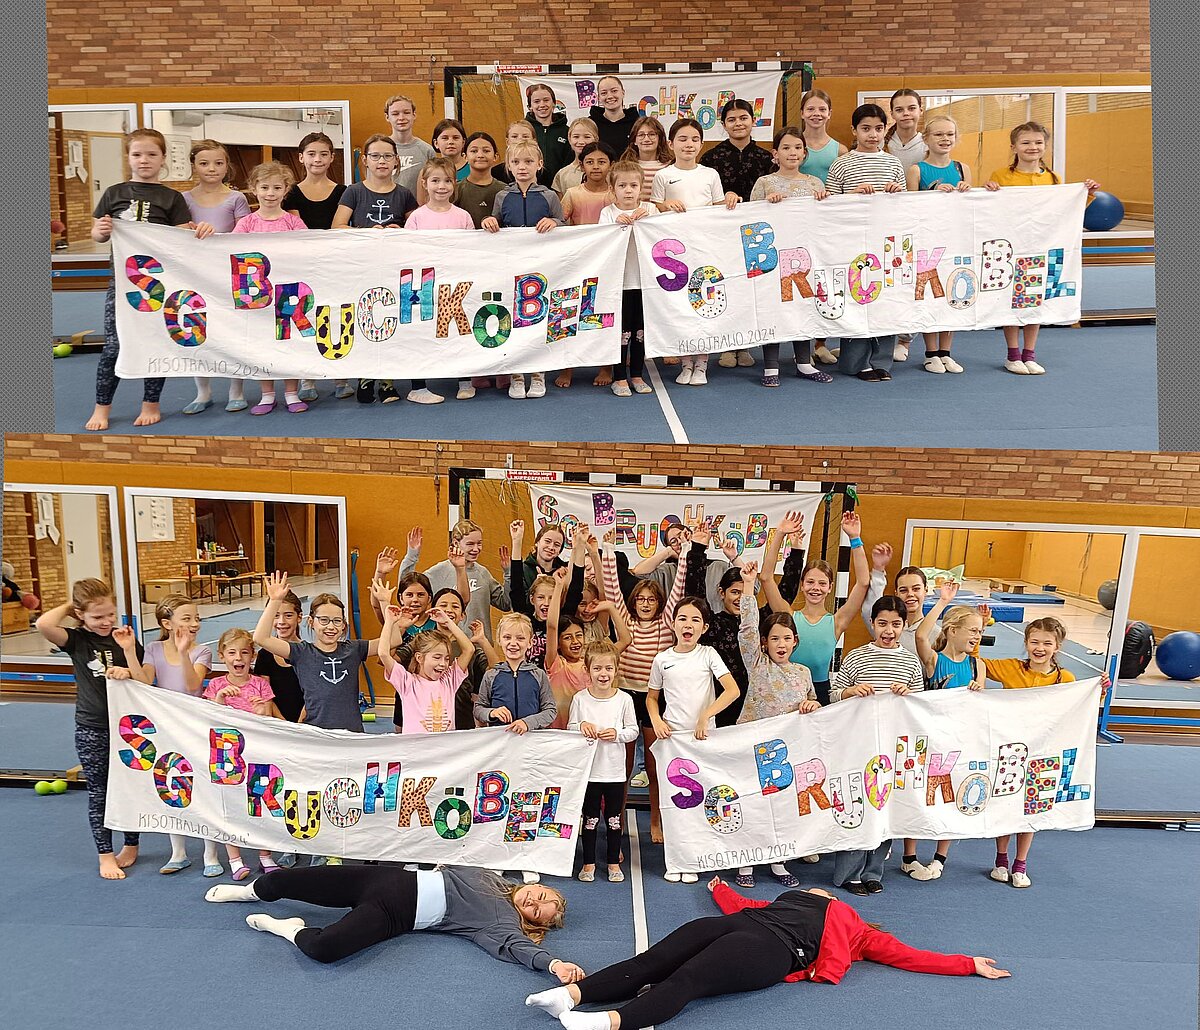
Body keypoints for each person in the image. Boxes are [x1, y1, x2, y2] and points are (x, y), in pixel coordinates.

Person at [527, 878, 1009, 1030]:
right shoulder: (788, 899)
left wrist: (968, 964)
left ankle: (608, 1022)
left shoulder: (860, 932)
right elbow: (743, 904)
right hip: (742, 924)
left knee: (685, 981)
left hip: (770, 950)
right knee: (650, 962)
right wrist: (719, 888)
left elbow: (910, 955)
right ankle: (569, 995)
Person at [204, 865, 580, 976]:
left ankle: (288, 928)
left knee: (323, 947)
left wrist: (555, 965)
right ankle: (248, 892)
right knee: (281, 881)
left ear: (533, 923)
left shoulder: (503, 925)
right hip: (384, 878)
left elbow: (520, 950)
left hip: (394, 914)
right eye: (541, 895)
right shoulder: (493, 877)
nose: (533, 901)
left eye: (537, 911)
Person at [87, 128, 210, 432]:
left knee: (155, 341)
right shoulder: (114, 193)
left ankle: (151, 403)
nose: (144, 160)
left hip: (158, 285)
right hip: (123, 283)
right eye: (137, 154)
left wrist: (199, 230)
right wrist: (101, 232)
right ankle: (102, 407)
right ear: (128, 157)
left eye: (152, 154)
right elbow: (97, 234)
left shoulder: (171, 198)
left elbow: (180, 239)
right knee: (113, 346)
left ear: (163, 158)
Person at [35, 579, 145, 880]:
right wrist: (71, 606)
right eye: (98, 617)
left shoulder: (124, 638)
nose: (106, 621)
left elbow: (143, 681)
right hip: (92, 727)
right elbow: (43, 624)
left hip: (127, 728)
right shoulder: (76, 640)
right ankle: (105, 855)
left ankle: (131, 844)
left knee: (130, 787)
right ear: (80, 614)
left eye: (110, 614)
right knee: (100, 791)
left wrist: (127, 661)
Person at [985, 122, 1100, 375]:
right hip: (1013, 248)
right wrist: (990, 191)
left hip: (1041, 247)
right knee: (1013, 300)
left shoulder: (1053, 178)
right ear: (1014, 147)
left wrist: (1086, 194)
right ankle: (1012, 354)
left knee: (1035, 298)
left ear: (1045, 146)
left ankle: (1030, 353)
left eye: (1038, 142)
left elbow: (1064, 210)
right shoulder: (1001, 175)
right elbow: (991, 209)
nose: (1032, 147)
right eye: (1026, 142)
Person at [828, 596, 925, 896]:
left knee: (885, 808)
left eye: (896, 624)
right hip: (859, 746)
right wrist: (851, 691)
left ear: (904, 625)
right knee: (858, 805)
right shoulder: (857, 657)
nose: (889, 630)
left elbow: (921, 707)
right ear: (872, 624)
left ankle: (873, 870)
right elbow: (833, 694)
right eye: (882, 623)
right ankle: (849, 873)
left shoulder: (911, 662)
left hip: (893, 749)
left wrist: (908, 694)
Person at [732, 559, 820, 888]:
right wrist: (749, 587)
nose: (780, 645)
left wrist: (813, 704)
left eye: (786, 639)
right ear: (764, 643)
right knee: (752, 804)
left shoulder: (803, 674)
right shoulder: (757, 665)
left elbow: (813, 705)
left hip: (785, 755)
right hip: (752, 749)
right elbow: (747, 629)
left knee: (781, 808)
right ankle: (746, 860)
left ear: (795, 641)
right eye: (774, 639)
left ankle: (778, 860)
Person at [600, 527, 689, 844]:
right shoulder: (626, 622)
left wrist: (684, 555)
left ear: (659, 603)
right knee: (622, 766)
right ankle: (618, 820)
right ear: (634, 602)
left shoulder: (666, 624)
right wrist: (608, 551)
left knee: (653, 767)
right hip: (625, 697)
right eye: (641, 599)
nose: (646, 603)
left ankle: (655, 821)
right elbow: (612, 589)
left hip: (654, 699)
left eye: (651, 599)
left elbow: (678, 591)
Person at [646, 593, 740, 882]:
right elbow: (652, 698)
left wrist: (705, 715)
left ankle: (696, 859)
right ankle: (677, 861)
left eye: (695, 620)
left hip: (701, 741)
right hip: (674, 742)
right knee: (676, 802)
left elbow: (732, 690)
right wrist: (657, 720)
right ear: (673, 623)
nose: (688, 624)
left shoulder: (708, 654)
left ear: (704, 627)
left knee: (701, 800)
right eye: (683, 618)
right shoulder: (662, 659)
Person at [898, 583, 987, 881]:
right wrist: (942, 602)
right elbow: (921, 635)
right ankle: (909, 856)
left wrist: (977, 690)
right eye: (972, 630)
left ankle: (940, 857)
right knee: (919, 794)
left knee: (950, 795)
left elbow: (979, 704)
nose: (977, 636)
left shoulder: (977, 665)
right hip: (929, 738)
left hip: (958, 740)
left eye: (980, 631)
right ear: (952, 630)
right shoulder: (935, 660)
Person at [983, 616, 1076, 888]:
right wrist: (982, 626)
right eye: (1034, 642)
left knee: (1031, 807)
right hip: (1010, 750)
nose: (1040, 648)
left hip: (1041, 753)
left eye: (1047, 643)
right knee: (1005, 803)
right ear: (1025, 643)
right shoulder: (1011, 668)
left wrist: (1100, 691)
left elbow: (1079, 704)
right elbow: (976, 662)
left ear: (1057, 646)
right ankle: (1001, 859)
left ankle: (1020, 863)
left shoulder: (1065, 678)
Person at [127, 593, 212, 874]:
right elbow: (144, 681)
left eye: (197, 618)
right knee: (172, 784)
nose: (195, 623)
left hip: (195, 727)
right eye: (187, 618)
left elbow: (192, 685)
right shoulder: (153, 648)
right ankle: (178, 852)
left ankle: (211, 854)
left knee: (204, 788)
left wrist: (184, 652)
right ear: (167, 623)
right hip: (167, 727)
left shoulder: (201, 651)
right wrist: (129, 651)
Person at [651, 118, 738, 387]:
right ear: (671, 144)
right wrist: (665, 205)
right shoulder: (663, 175)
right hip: (676, 254)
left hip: (704, 248)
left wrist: (730, 198)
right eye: (682, 139)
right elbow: (654, 209)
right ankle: (685, 362)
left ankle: (702, 364)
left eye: (694, 140)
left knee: (703, 302)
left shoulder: (710, 174)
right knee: (681, 306)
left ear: (701, 144)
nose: (688, 144)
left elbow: (719, 208)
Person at [332, 134, 419, 405]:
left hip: (394, 268)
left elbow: (416, 230)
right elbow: (337, 226)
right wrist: (365, 232)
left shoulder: (404, 194)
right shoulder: (354, 191)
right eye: (375, 156)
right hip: (363, 267)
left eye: (387, 156)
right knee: (365, 320)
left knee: (389, 319)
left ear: (396, 161)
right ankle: (366, 377)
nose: (382, 161)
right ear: (365, 160)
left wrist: (398, 230)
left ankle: (388, 381)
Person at [825, 104, 907, 383]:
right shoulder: (842, 164)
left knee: (885, 300)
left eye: (879, 129)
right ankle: (855, 361)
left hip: (885, 244)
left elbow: (905, 206)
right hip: (853, 243)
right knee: (858, 298)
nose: (873, 134)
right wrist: (852, 195)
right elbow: (829, 206)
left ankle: (881, 360)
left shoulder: (893, 163)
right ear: (854, 130)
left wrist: (895, 193)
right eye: (866, 128)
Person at [475, 611, 558, 884]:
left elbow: (550, 711)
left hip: (530, 750)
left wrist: (528, 722)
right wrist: (491, 713)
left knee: (526, 801)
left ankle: (526, 857)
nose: (514, 643)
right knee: (499, 802)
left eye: (520, 638)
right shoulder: (491, 674)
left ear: (530, 642)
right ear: (499, 640)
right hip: (499, 752)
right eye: (508, 637)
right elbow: (479, 708)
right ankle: (500, 856)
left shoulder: (538, 675)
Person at [759, 510, 872, 705]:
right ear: (802, 585)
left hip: (821, 693)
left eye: (822, 583)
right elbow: (766, 577)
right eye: (810, 582)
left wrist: (855, 539)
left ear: (830, 587)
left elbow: (863, 583)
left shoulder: (837, 622)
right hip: (785, 688)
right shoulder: (788, 617)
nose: (815, 588)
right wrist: (779, 534)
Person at [749, 126, 832, 387]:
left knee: (803, 304)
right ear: (775, 153)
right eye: (786, 147)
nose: (792, 152)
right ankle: (770, 366)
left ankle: (804, 362)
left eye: (797, 147)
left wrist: (823, 201)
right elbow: (751, 219)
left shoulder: (814, 183)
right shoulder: (765, 183)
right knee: (773, 307)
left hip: (805, 257)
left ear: (805, 153)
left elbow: (825, 219)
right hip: (774, 256)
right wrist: (766, 204)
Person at [483, 140, 564, 400]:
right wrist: (489, 221)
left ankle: (538, 374)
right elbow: (496, 222)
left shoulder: (549, 196)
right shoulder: (503, 196)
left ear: (539, 164)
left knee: (538, 318)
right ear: (508, 166)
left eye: (528, 162)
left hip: (541, 268)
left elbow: (563, 223)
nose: (522, 167)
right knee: (516, 319)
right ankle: (517, 375)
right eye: (516, 162)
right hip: (512, 267)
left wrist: (554, 221)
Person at [253, 572, 380, 736]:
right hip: (315, 735)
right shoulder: (301, 652)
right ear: (311, 622)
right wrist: (275, 600)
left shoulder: (354, 649)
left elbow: (393, 640)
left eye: (337, 621)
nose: (330, 626)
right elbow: (260, 638)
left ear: (343, 625)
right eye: (324, 620)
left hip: (351, 734)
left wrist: (384, 604)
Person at [202, 628, 284, 879]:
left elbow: (269, 719)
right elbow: (210, 719)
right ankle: (235, 859)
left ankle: (265, 855)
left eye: (244, 653)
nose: (238, 658)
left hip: (257, 754)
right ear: (222, 656)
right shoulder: (216, 685)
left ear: (253, 656)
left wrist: (262, 711)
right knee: (230, 808)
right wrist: (219, 699)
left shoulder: (260, 685)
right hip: (229, 758)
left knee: (260, 801)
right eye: (232, 653)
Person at [233, 161, 310, 416]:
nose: (270, 193)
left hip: (287, 292)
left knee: (289, 342)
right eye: (264, 187)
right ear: (253, 188)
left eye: (277, 188)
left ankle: (291, 392)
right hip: (257, 296)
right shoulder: (246, 224)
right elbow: (232, 251)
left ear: (286, 190)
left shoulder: (293, 222)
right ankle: (267, 394)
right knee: (262, 344)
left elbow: (309, 248)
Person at [181, 139, 251, 416]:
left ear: (227, 166)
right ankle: (203, 391)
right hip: (196, 273)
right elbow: (176, 236)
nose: (212, 168)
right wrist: (186, 230)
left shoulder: (236, 198)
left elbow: (246, 235)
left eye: (218, 163)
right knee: (197, 328)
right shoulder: (184, 199)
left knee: (233, 331)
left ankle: (236, 390)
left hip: (228, 273)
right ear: (194, 166)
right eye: (204, 163)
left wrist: (219, 237)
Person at [282, 130, 351, 403]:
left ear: (332, 157)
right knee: (305, 318)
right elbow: (298, 230)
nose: (317, 159)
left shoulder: (343, 192)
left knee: (334, 316)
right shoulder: (291, 193)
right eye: (311, 154)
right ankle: (308, 377)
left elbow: (342, 227)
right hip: (303, 263)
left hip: (335, 263)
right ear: (301, 157)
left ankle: (340, 376)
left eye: (323, 154)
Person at [405, 156, 476, 403]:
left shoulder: (463, 216)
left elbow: (472, 250)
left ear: (455, 184)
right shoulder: (416, 217)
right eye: (435, 181)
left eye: (447, 181)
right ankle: (418, 387)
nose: (441, 186)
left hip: (455, 284)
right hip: (425, 286)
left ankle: (465, 380)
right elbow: (407, 252)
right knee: (420, 332)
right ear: (424, 183)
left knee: (460, 328)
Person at [568, 641, 639, 883]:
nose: (603, 674)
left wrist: (617, 734)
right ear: (587, 670)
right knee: (590, 820)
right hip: (589, 772)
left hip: (614, 772)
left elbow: (633, 731)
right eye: (597, 668)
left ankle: (612, 863)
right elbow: (571, 727)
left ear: (616, 669)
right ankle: (588, 862)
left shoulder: (624, 700)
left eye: (608, 668)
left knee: (613, 820)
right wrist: (581, 726)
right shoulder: (580, 699)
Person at [906, 113, 971, 375]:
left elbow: (969, 207)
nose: (945, 139)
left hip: (954, 239)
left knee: (952, 292)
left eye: (950, 134)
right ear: (926, 139)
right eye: (939, 134)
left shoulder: (962, 168)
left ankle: (946, 352)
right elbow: (909, 208)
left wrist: (966, 191)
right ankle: (930, 352)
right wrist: (932, 194)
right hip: (928, 241)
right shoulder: (917, 170)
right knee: (930, 294)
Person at [599, 160, 658, 396]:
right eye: (622, 186)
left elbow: (662, 236)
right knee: (621, 332)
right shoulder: (608, 213)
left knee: (640, 331)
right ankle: (619, 377)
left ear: (641, 187)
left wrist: (650, 220)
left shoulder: (650, 210)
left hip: (644, 282)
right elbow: (601, 243)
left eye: (633, 185)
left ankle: (637, 374)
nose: (628, 190)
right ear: (612, 189)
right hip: (620, 283)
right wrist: (614, 226)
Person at [394, 522, 510, 640]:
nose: (476, 549)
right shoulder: (439, 571)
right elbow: (406, 586)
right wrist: (411, 556)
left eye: (479, 543)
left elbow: (505, 603)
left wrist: (508, 572)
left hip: (480, 644)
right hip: (447, 643)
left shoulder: (483, 573)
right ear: (455, 543)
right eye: (470, 544)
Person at [380, 604, 476, 733]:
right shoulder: (407, 682)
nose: (443, 664)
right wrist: (389, 622)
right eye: (437, 657)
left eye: (447, 658)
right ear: (420, 658)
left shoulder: (449, 681)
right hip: (416, 746)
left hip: (445, 745)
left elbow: (469, 649)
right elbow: (383, 654)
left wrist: (448, 622)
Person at [251, 586, 305, 722]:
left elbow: (313, 695)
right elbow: (266, 695)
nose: (281, 622)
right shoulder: (265, 655)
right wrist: (283, 722)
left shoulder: (308, 652)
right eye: (276, 615)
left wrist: (300, 724)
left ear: (299, 617)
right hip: (278, 723)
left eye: (288, 615)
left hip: (307, 722)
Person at [385, 94, 436, 195]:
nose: (401, 118)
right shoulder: (380, 149)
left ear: (414, 115)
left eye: (406, 112)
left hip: (417, 205)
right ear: (387, 117)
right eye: (395, 114)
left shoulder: (427, 151)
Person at [526, 83, 573, 185]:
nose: (542, 105)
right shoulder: (523, 130)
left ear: (554, 103)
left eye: (546, 100)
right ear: (530, 106)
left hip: (559, 187)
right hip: (530, 187)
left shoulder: (567, 131)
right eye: (536, 101)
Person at [458, 132, 506, 229]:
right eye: (474, 151)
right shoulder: (455, 190)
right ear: (465, 156)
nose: (480, 155)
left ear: (495, 156)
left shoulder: (505, 190)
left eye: (486, 151)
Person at [589, 75, 641, 157]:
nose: (609, 96)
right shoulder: (591, 124)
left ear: (623, 93)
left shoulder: (638, 124)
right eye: (604, 93)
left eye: (614, 91)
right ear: (599, 98)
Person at [620, 116, 670, 202]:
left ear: (660, 138)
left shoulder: (669, 166)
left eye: (652, 134)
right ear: (634, 140)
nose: (646, 139)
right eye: (641, 135)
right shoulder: (625, 167)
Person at [552, 118, 600, 195]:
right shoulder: (563, 174)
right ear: (569, 139)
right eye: (576, 137)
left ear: (596, 139)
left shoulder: (605, 171)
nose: (581, 142)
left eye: (587, 137)